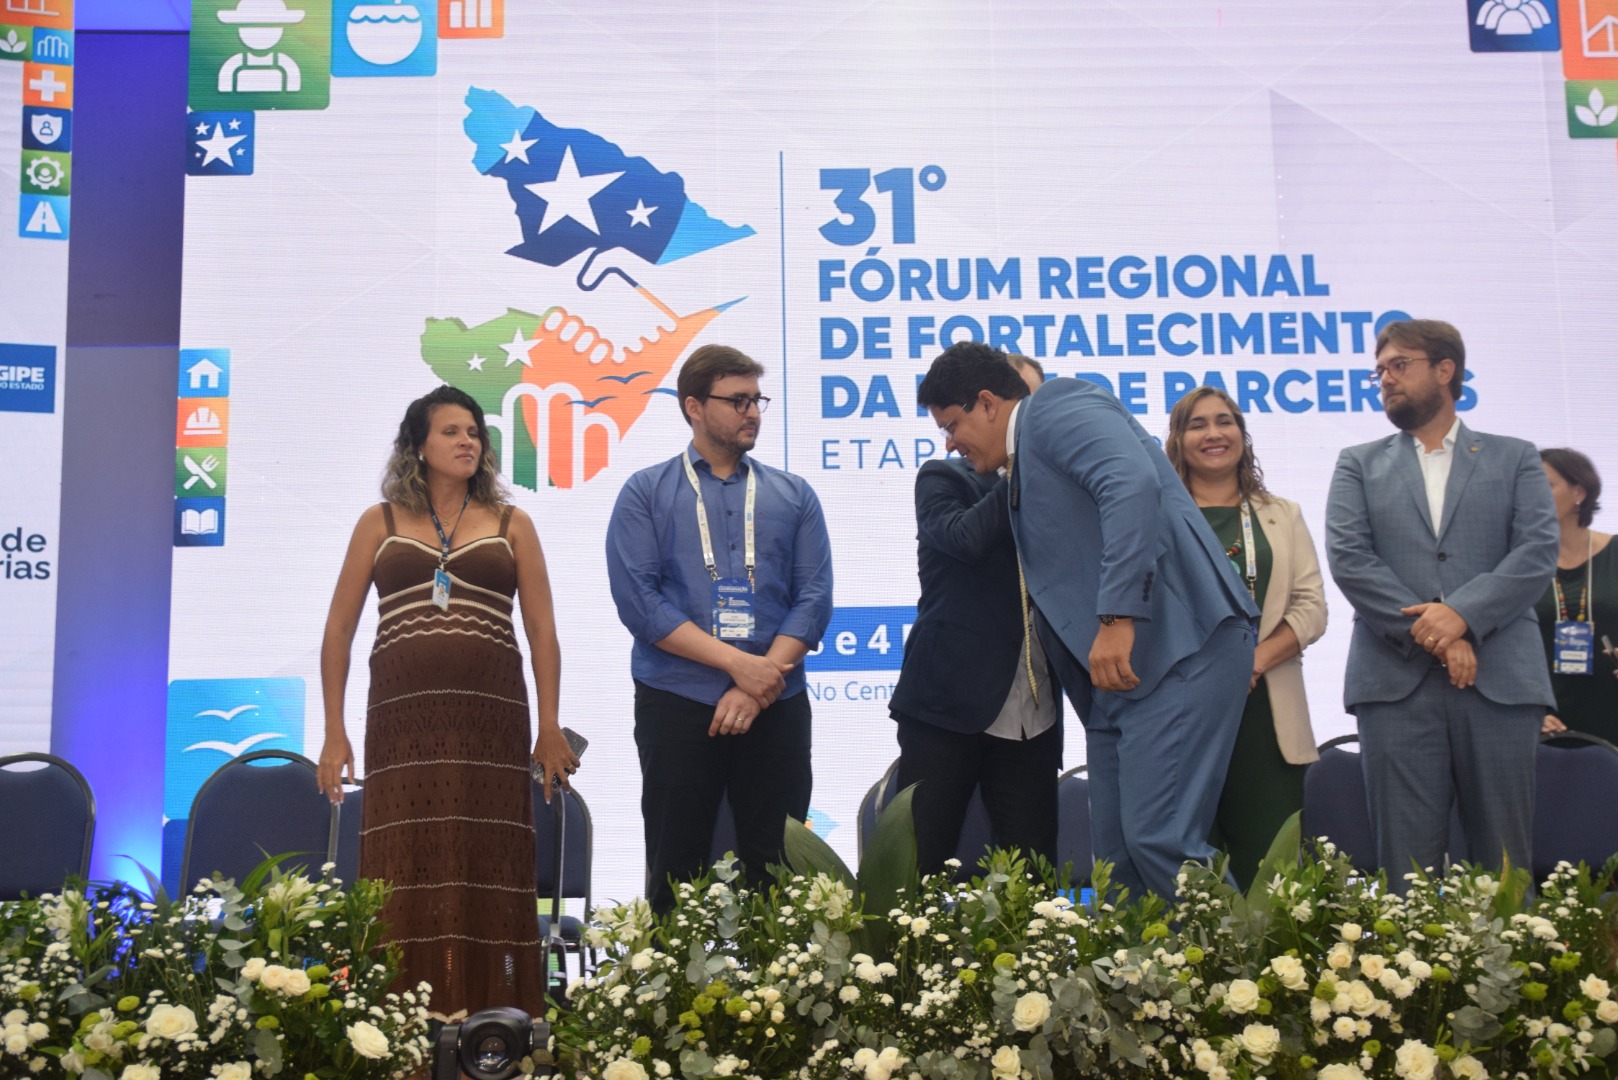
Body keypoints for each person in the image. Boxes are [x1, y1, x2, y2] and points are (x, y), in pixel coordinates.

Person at [917, 342, 1258, 902]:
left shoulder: (1057, 404)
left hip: (1178, 649)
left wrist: (1117, 615)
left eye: (952, 424)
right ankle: (1147, 964)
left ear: (988, 402)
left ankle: (1239, 961)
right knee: (1119, 860)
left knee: (1162, 842)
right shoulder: (1018, 468)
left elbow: (1130, 483)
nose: (950, 442)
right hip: (1116, 689)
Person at [316, 384, 576, 1019]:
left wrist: (549, 726)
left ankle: (497, 1019)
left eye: (474, 433)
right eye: (451, 431)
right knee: (405, 860)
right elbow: (339, 630)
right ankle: (400, 1021)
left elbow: (542, 632)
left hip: (492, 722)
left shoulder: (512, 523)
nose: (467, 442)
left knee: (489, 860)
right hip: (401, 724)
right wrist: (333, 731)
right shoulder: (378, 522)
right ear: (418, 446)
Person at [1326, 319, 1556, 889]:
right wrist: (1438, 633)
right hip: (1395, 684)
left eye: (1399, 365)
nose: (1386, 379)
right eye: (1380, 371)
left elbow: (1536, 552)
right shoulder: (1358, 462)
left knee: (1505, 868)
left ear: (1445, 369)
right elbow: (1350, 559)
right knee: (1407, 875)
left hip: (1500, 681)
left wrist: (1463, 617)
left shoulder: (1515, 457)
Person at [606, 344, 833, 913]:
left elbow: (813, 598)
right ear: (694, 407)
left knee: (779, 871)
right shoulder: (646, 492)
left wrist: (760, 681)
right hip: (677, 699)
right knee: (675, 868)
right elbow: (641, 604)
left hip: (777, 701)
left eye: (757, 399)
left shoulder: (794, 494)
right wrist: (738, 666)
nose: (752, 412)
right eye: (737, 400)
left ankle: (776, 976)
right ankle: (671, 972)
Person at [890, 355, 1061, 877]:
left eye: (951, 427)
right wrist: (1022, 463)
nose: (949, 442)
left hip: (1036, 712)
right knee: (916, 871)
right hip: (946, 707)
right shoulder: (943, 477)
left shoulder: (1064, 486)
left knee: (1033, 878)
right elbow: (966, 539)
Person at [1164, 387, 1327, 890]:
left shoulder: (1282, 514)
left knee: (1272, 877)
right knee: (1193, 877)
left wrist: (1251, 662)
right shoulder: (1158, 516)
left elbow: (1311, 608)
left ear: (1242, 434)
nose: (1214, 433)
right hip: (1184, 712)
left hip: (1266, 716)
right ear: (1177, 440)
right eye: (1197, 424)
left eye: (1225, 421)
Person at [1536, 449, 1618, 744]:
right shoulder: (1522, 563)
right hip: (1547, 717)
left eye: (1545, 485)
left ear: (1579, 492)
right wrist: (1527, 709)